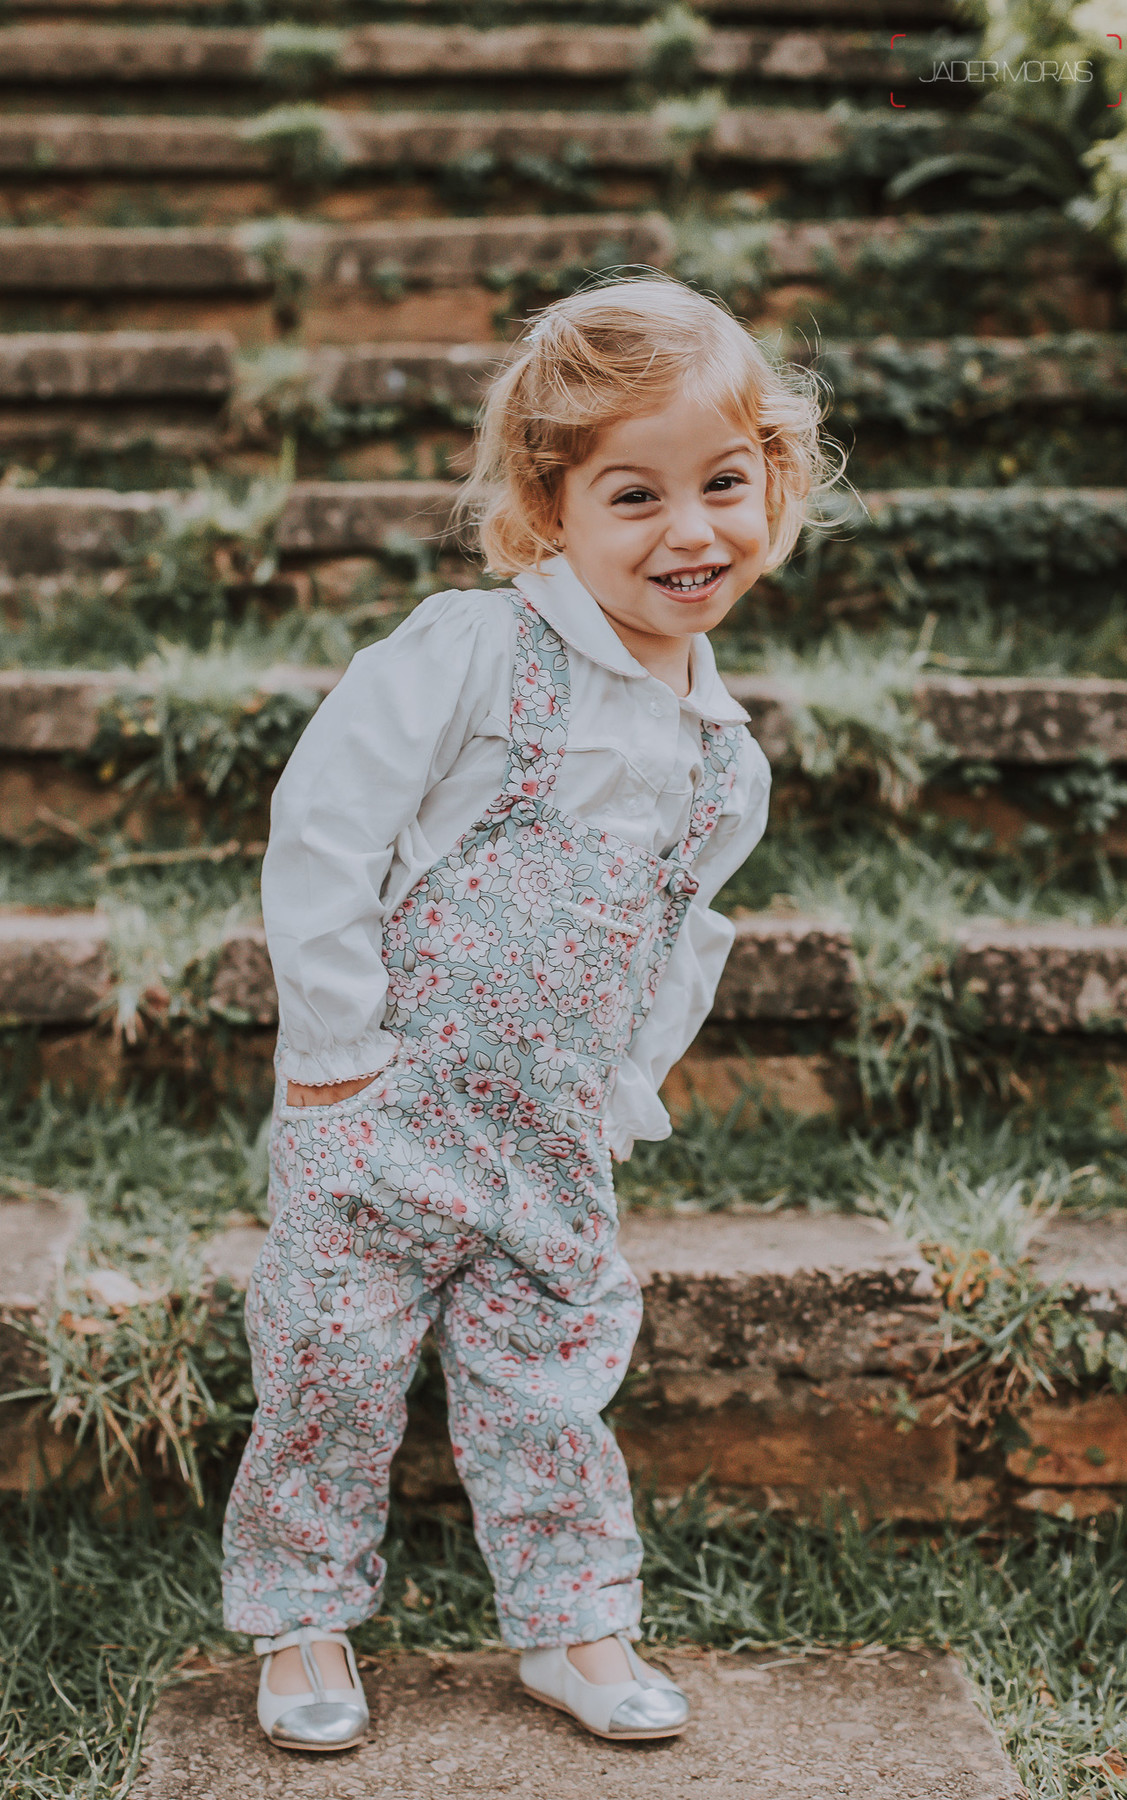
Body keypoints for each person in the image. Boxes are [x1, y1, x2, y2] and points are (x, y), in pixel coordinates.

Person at [221, 274, 837, 1752]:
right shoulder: (475, 652)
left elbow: (679, 938)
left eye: (725, 485)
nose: (691, 532)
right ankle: (302, 1623)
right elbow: (324, 832)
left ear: (777, 486)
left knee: (552, 1375)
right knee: (329, 1363)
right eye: (637, 495)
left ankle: (574, 1624)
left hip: (549, 1129)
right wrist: (336, 1052)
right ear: (550, 507)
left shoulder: (719, 755)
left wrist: (627, 1091)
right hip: (378, 1109)